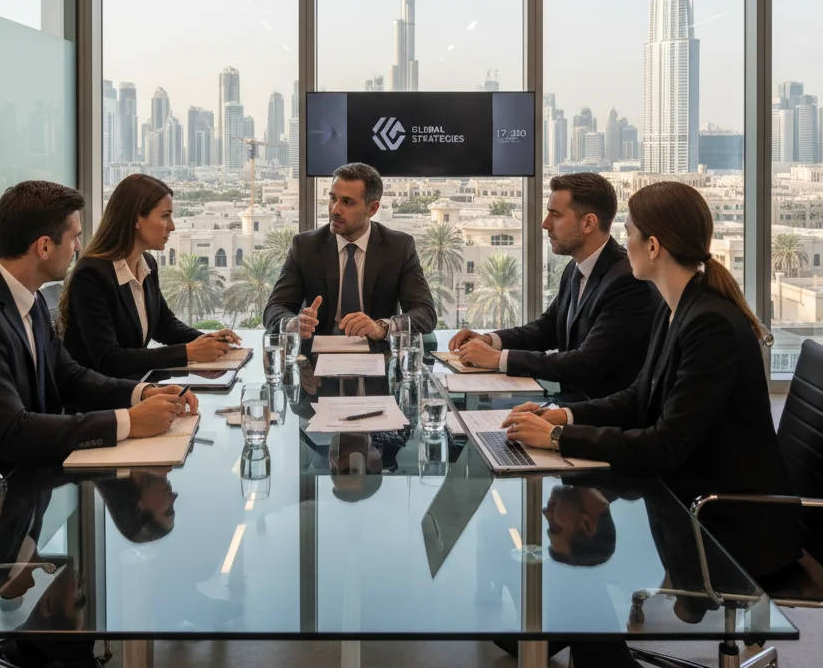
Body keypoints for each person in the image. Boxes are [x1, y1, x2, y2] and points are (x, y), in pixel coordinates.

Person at [503, 181, 804, 584]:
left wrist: (557, 437)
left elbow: (665, 445)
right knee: (584, 578)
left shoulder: (709, 323)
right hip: (686, 499)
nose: (622, 246)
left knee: (585, 580)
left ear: (653, 246)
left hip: (725, 523)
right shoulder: (676, 306)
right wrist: (562, 415)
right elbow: (638, 397)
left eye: (628, 234)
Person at [0, 181, 198, 560]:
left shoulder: (26, 296)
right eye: (74, 238)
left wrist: (142, 395)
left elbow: (69, 377)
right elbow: (13, 432)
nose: (80, 249)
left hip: (25, 486)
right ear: (43, 246)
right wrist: (130, 422)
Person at [450, 173, 657, 398]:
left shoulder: (628, 281)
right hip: (572, 409)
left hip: (605, 420)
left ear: (588, 223)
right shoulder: (575, 268)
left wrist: (498, 359)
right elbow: (548, 328)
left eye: (555, 215)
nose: (545, 224)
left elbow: (587, 362)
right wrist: (490, 340)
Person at [61, 173, 239, 376]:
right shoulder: (92, 275)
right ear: (137, 219)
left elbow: (165, 326)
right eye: (165, 216)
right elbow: (109, 359)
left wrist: (211, 343)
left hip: (135, 391)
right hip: (100, 402)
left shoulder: (147, 264)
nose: (171, 226)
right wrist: (188, 354)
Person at [263, 162, 436, 340]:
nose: (335, 209)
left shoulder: (399, 247)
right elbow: (275, 308)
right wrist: (292, 324)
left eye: (347, 202)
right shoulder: (305, 246)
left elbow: (425, 313)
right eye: (332, 198)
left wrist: (382, 327)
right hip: (318, 352)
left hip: (377, 354)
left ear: (372, 209)